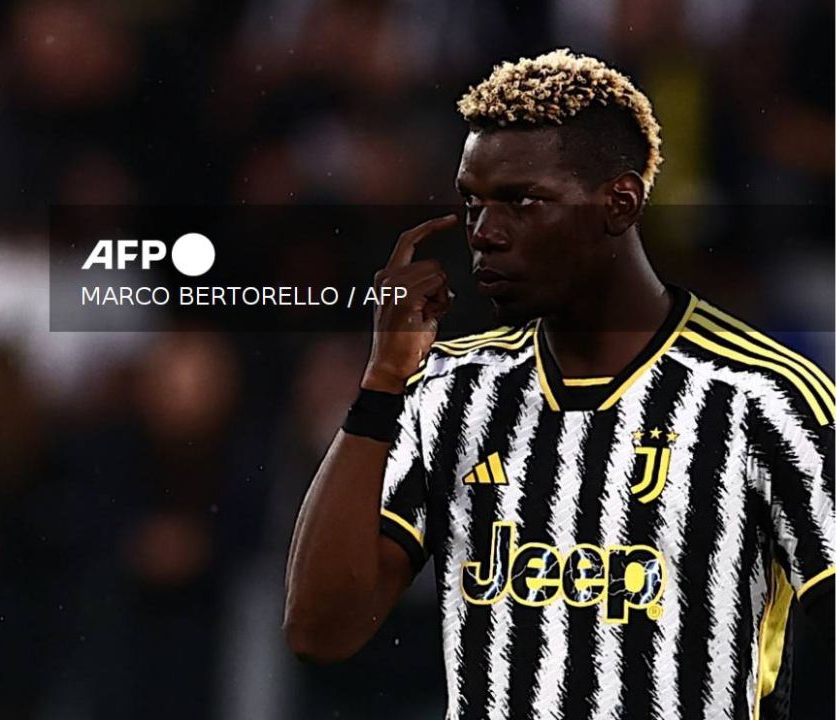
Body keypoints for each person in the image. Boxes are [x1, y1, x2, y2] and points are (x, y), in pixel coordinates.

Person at [283, 48, 834, 720]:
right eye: (472, 202)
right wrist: (381, 382)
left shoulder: (762, 397)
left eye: (522, 202)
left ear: (620, 203)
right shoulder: (448, 389)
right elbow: (319, 630)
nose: (485, 233)